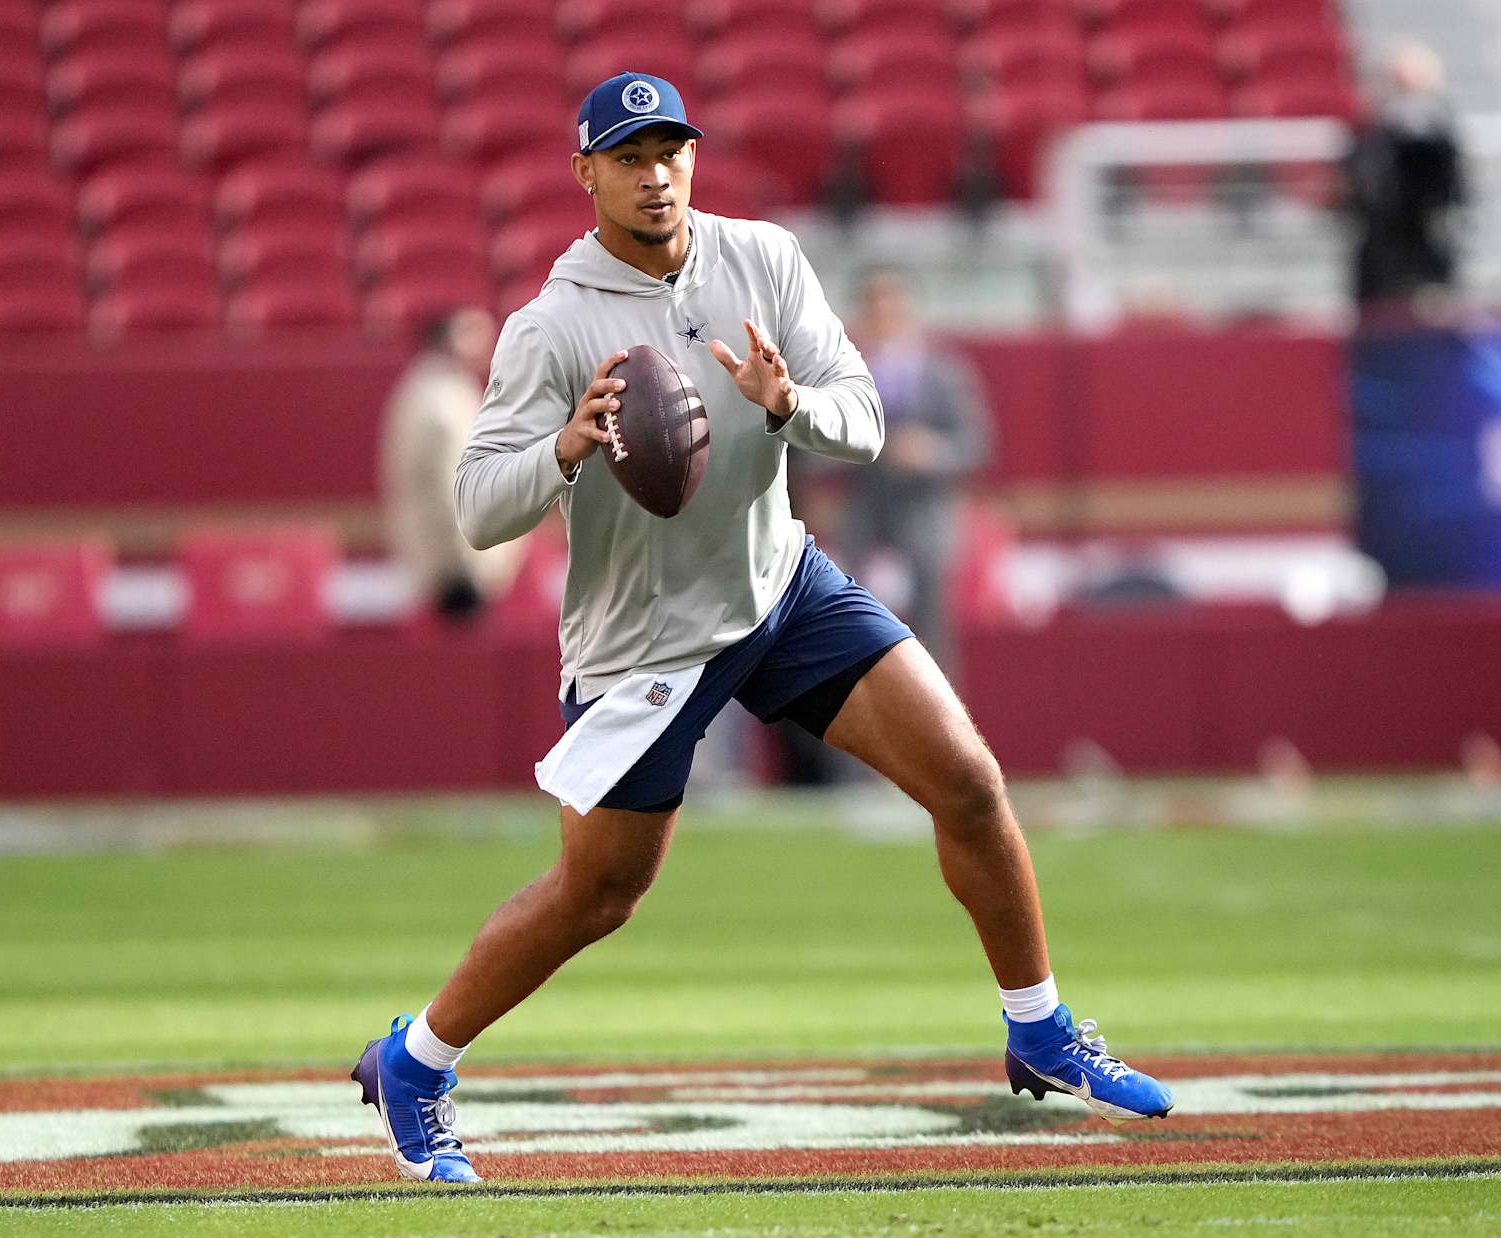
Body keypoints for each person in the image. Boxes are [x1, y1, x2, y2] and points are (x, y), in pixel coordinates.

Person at [349, 72, 1173, 1184]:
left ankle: (1040, 1024)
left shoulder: (765, 259)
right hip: (643, 638)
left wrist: (791, 407)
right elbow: (477, 504)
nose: (656, 175)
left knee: (969, 780)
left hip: (779, 582)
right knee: (600, 893)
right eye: (630, 157)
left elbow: (865, 421)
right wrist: (565, 448)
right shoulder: (550, 326)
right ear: (585, 172)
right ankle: (416, 1057)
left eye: (671, 151)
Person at [835, 267, 990, 675]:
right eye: (874, 304)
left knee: (931, 624)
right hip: (864, 508)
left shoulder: (943, 371)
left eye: (892, 303)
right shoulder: (843, 371)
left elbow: (975, 445)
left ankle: (938, 717)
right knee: (849, 614)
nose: (883, 313)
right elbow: (814, 444)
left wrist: (930, 452)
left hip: (926, 509)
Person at [379, 305, 521, 620]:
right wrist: (469, 560)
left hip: (457, 560)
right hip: (457, 570)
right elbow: (452, 486)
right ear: (447, 340)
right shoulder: (439, 399)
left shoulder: (442, 388)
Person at [1343, 40, 1468, 312]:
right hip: (1383, 268)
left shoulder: (1440, 143)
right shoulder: (1370, 139)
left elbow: (1451, 195)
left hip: (1426, 263)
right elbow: (1366, 198)